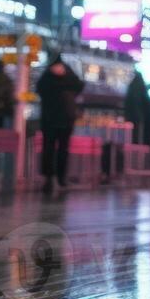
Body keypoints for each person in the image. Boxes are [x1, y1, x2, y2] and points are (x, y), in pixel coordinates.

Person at [35, 53, 84, 194]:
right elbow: (79, 85)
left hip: (55, 120)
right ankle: (54, 177)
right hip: (59, 119)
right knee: (56, 150)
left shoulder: (46, 80)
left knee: (54, 149)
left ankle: (55, 177)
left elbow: (40, 90)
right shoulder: (68, 81)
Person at [123, 73, 150, 146]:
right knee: (139, 132)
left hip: (131, 116)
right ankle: (140, 143)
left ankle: (133, 143)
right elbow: (146, 103)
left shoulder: (131, 87)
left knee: (132, 133)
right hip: (141, 117)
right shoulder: (142, 87)